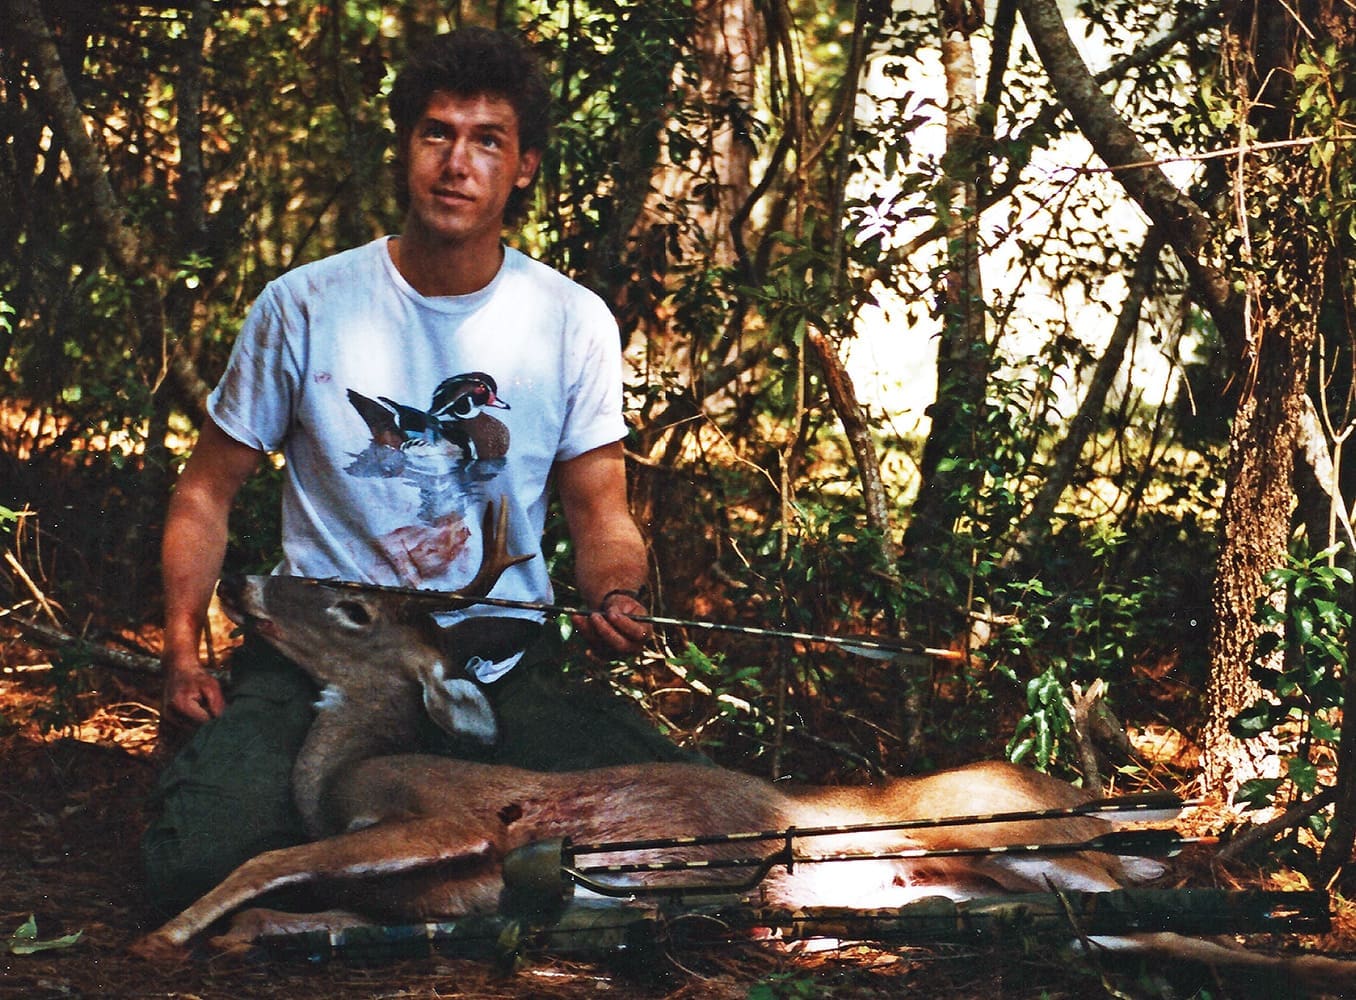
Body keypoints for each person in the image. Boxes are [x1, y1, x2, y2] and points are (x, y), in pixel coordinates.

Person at [142, 26, 697, 917]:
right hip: (331, 650)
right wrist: (181, 650)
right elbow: (207, 490)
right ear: (406, 148)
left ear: (522, 168)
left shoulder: (570, 320)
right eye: (437, 132)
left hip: (494, 659)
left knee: (691, 830)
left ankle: (414, 863)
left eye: (487, 140)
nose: (457, 162)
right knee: (190, 864)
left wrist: (617, 592)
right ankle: (412, 861)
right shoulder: (304, 305)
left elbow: (601, 510)